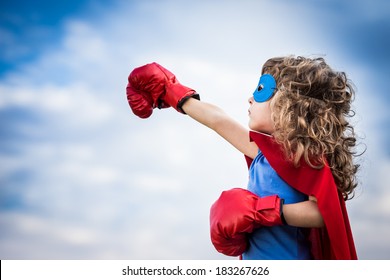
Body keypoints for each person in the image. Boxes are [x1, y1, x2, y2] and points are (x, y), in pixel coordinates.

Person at [125, 56, 360, 260]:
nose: (250, 99)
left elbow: (322, 213)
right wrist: (170, 90)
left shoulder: (305, 155)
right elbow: (219, 120)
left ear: (291, 105)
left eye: (260, 91)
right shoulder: (262, 153)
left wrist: (261, 211)